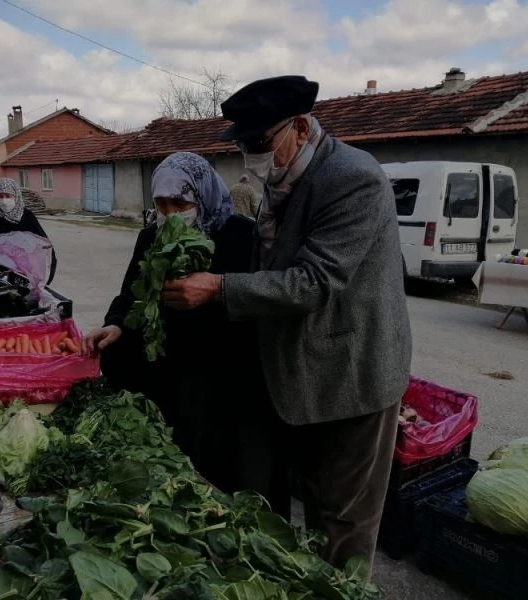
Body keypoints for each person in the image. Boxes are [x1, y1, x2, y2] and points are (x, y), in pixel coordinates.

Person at [162, 76, 412, 573]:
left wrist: (219, 287)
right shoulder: (283, 177)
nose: (251, 156)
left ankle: (345, 588)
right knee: (312, 503)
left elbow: (314, 281)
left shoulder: (351, 176)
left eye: (259, 143)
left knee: (343, 520)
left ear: (300, 127)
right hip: (303, 371)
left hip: (350, 374)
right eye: (243, 144)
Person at [81, 152, 271, 496]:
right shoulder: (150, 237)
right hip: (170, 366)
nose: (170, 214)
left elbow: (258, 298)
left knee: (226, 466)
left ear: (201, 194)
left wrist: (214, 292)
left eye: (179, 203)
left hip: (226, 366)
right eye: (161, 204)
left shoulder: (241, 235)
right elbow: (131, 295)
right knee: (174, 457)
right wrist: (116, 325)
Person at [0, 177, 56, 283]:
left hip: (23, 278)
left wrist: (43, 281)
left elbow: (45, 249)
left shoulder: (27, 217)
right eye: (0, 196)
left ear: (16, 196)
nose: (4, 200)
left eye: (8, 196)